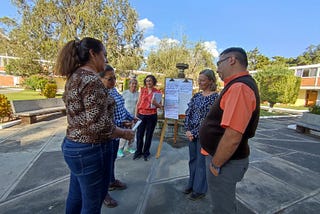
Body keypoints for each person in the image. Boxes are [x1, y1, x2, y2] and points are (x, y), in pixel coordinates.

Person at [56, 37, 134, 214]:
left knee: (76, 198)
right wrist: (124, 133)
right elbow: (99, 125)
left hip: (74, 146)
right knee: (92, 204)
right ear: (93, 54)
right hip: (90, 150)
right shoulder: (91, 80)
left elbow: (87, 116)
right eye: (104, 55)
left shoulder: (74, 77)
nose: (105, 60)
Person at [199, 47, 260, 213]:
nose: (217, 69)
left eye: (219, 63)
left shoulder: (239, 87)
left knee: (222, 207)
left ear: (232, 60)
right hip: (223, 160)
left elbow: (233, 135)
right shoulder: (236, 85)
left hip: (225, 163)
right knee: (222, 203)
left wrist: (215, 164)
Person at [98, 65, 137, 208]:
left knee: (111, 161)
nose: (113, 81)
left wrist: (131, 117)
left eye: (114, 78)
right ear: (100, 78)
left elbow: (121, 108)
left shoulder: (113, 90)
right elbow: (103, 121)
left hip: (116, 133)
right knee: (104, 165)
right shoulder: (100, 94)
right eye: (110, 79)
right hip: (108, 134)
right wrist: (122, 128)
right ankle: (104, 194)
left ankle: (111, 181)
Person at [183, 69, 219, 201]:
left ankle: (200, 189)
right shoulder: (197, 96)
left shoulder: (216, 98)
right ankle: (191, 184)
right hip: (191, 135)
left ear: (210, 81)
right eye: (199, 80)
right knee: (192, 160)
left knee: (201, 163)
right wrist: (187, 130)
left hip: (205, 136)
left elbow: (210, 120)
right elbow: (188, 112)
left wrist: (195, 132)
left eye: (202, 80)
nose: (200, 82)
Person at [133, 75, 162, 161]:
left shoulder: (157, 92)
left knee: (149, 135)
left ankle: (146, 153)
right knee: (139, 135)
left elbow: (160, 106)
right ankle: (138, 152)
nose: (148, 82)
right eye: (147, 81)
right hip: (141, 115)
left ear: (153, 82)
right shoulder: (142, 90)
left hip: (151, 116)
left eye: (150, 81)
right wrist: (135, 115)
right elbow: (138, 103)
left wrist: (155, 103)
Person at [118, 77, 140, 156]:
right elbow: (120, 104)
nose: (134, 85)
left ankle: (129, 147)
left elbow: (138, 105)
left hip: (134, 117)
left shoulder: (138, 94)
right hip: (125, 116)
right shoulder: (125, 93)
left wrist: (136, 116)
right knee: (124, 133)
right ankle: (120, 149)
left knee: (133, 133)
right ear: (129, 85)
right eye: (132, 83)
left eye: (135, 84)